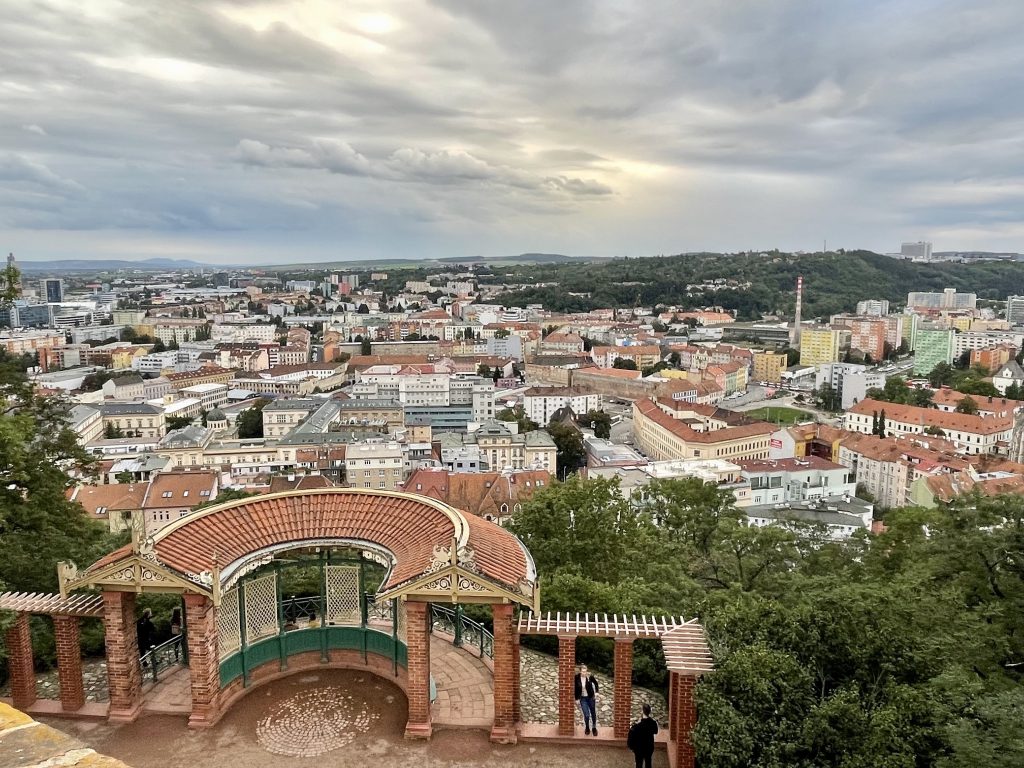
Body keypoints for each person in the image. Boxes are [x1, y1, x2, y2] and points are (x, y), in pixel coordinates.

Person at [627, 703, 659, 768]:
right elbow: (656, 731)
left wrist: (632, 748)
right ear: (650, 711)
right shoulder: (653, 723)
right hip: (649, 747)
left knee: (639, 764)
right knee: (648, 763)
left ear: (642, 711)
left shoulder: (636, 726)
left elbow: (630, 738)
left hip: (639, 749)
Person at [573, 663, 600, 735]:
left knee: (593, 713)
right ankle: (587, 727)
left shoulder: (590, 677)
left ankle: (594, 728)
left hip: (591, 697)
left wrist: (597, 692)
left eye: (585, 671)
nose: (584, 673)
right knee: (587, 715)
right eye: (583, 671)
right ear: (580, 671)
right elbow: (574, 688)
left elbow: (596, 683)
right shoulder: (576, 678)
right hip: (583, 699)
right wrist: (576, 698)